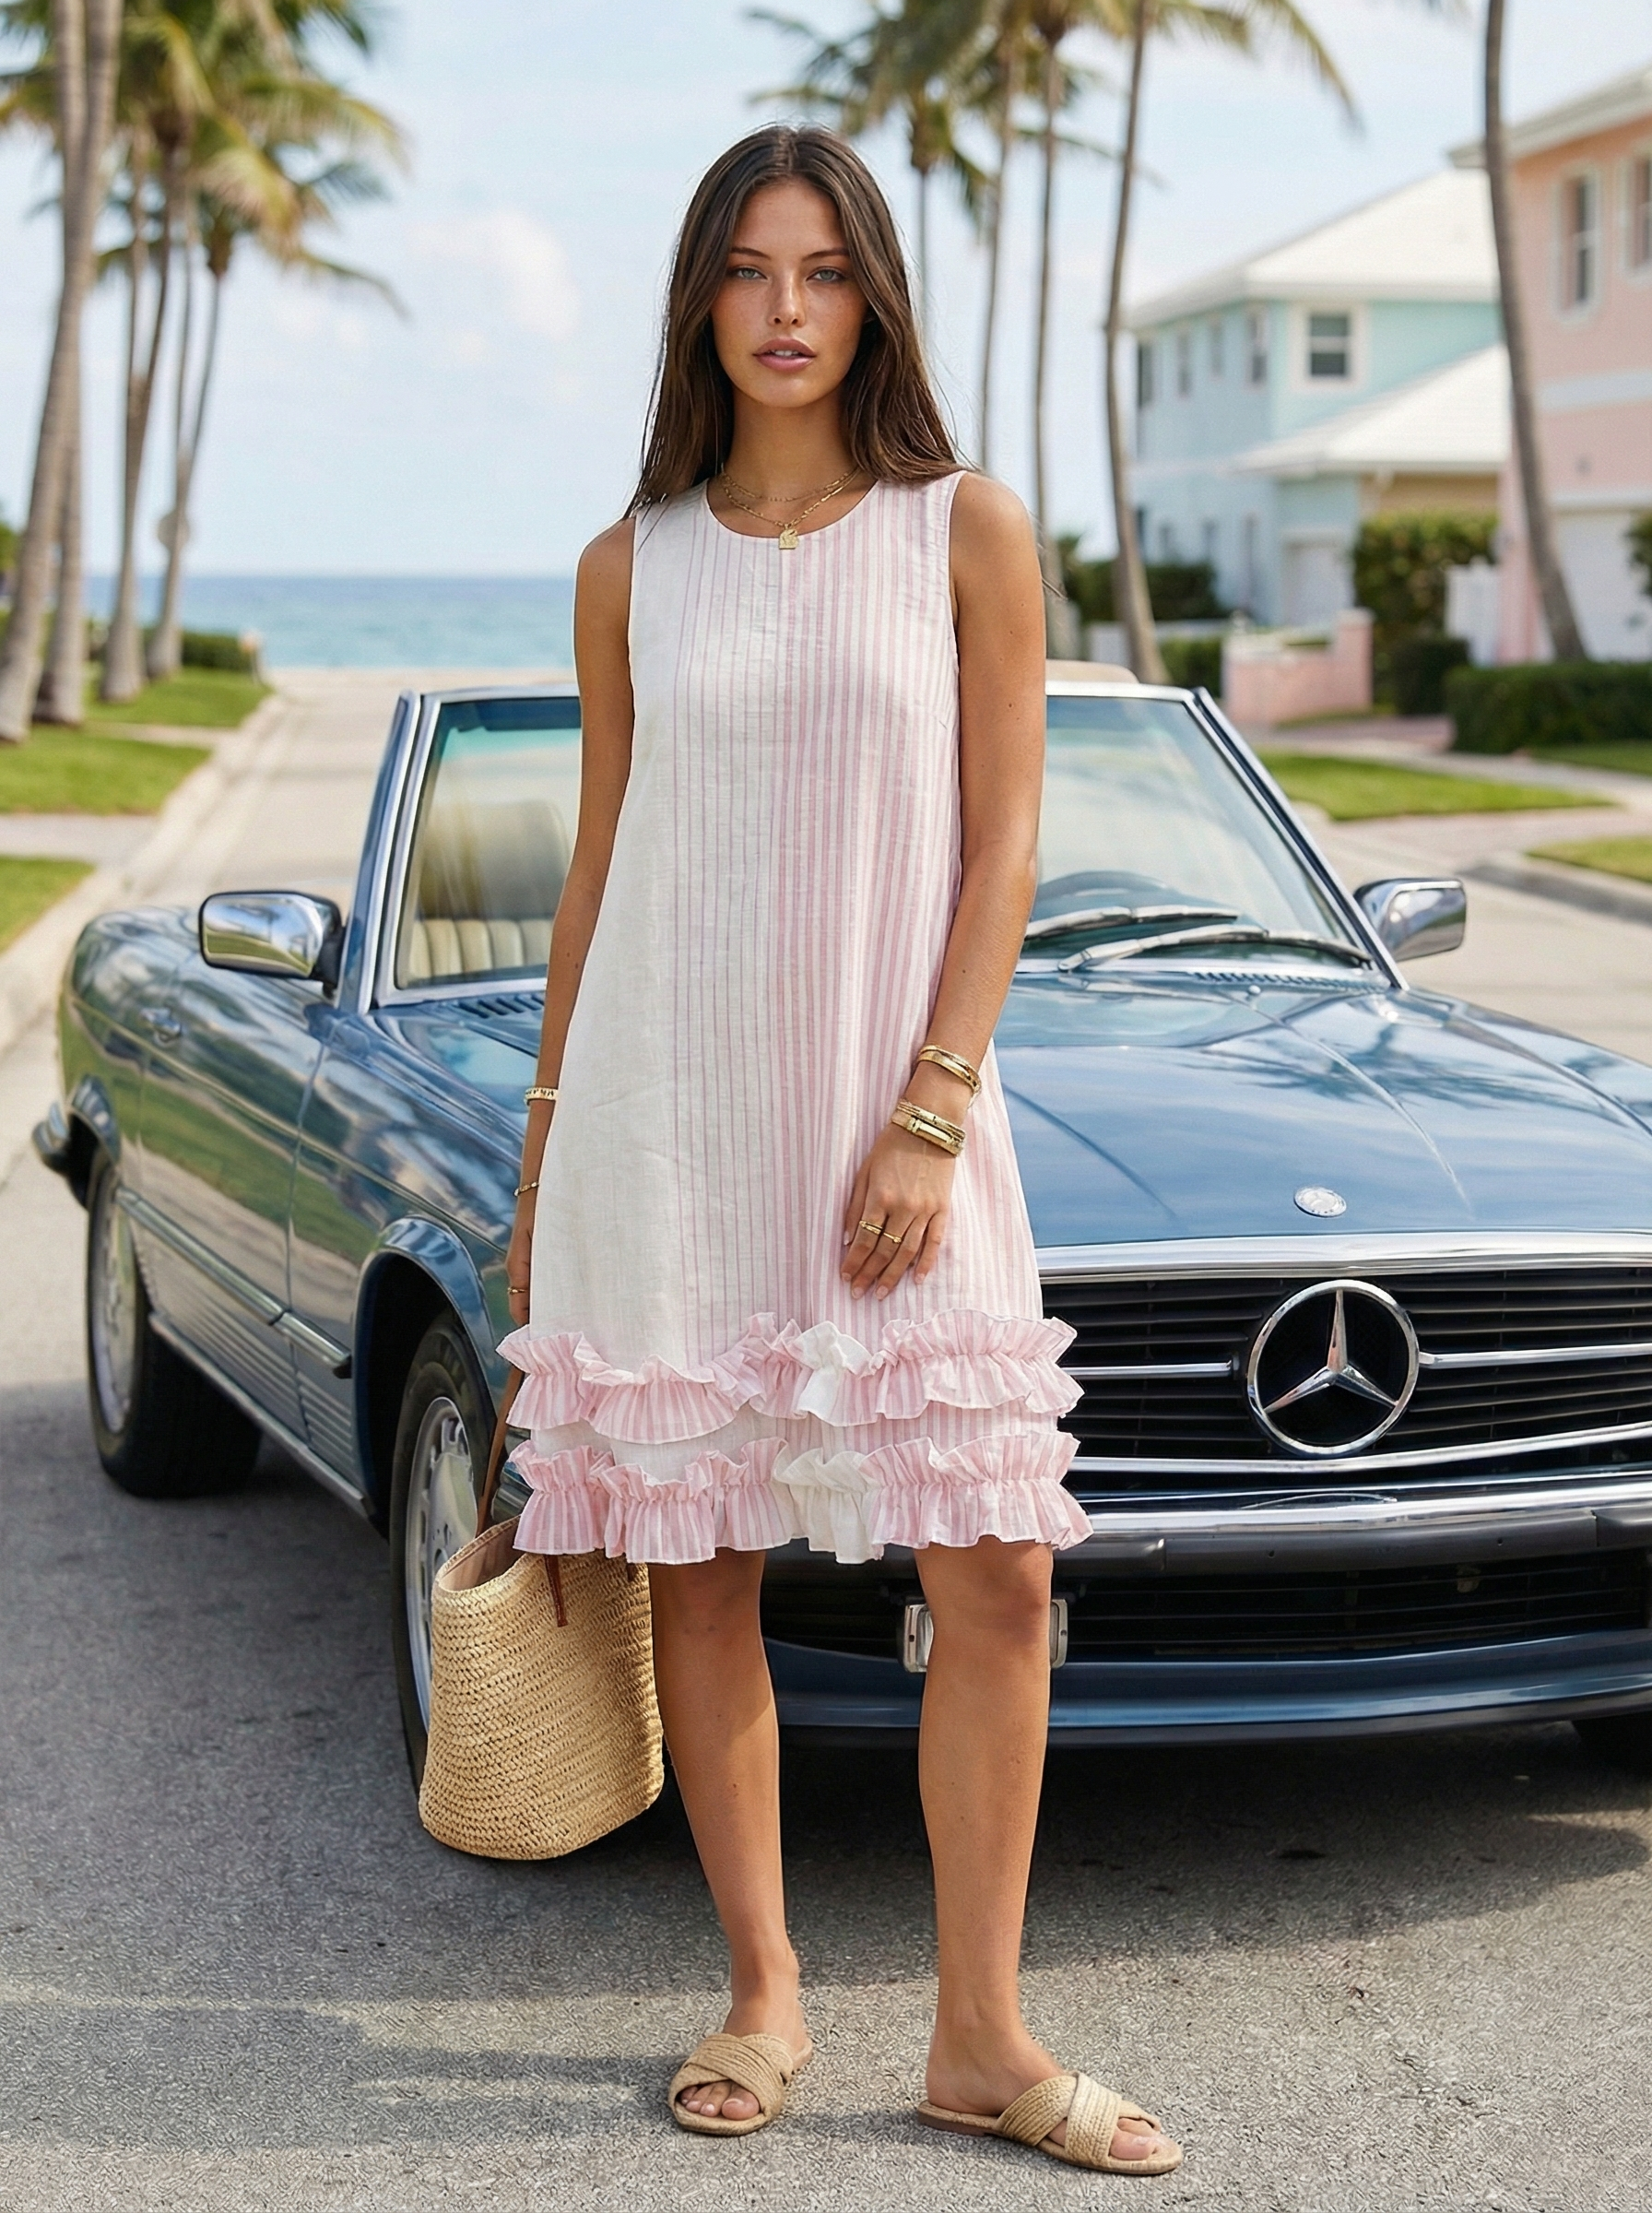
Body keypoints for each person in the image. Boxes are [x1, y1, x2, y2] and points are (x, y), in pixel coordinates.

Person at [502, 123, 1181, 2179]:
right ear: (698, 301)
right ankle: (763, 1988)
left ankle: (978, 2033)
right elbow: (598, 865)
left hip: (900, 1122)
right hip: (671, 1117)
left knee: (995, 1567)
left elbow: (1004, 843)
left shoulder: (960, 530)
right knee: (701, 1570)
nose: (784, 312)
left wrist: (932, 1105)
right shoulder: (631, 565)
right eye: (745, 271)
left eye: (821, 272)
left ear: (872, 296)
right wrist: (545, 1174)